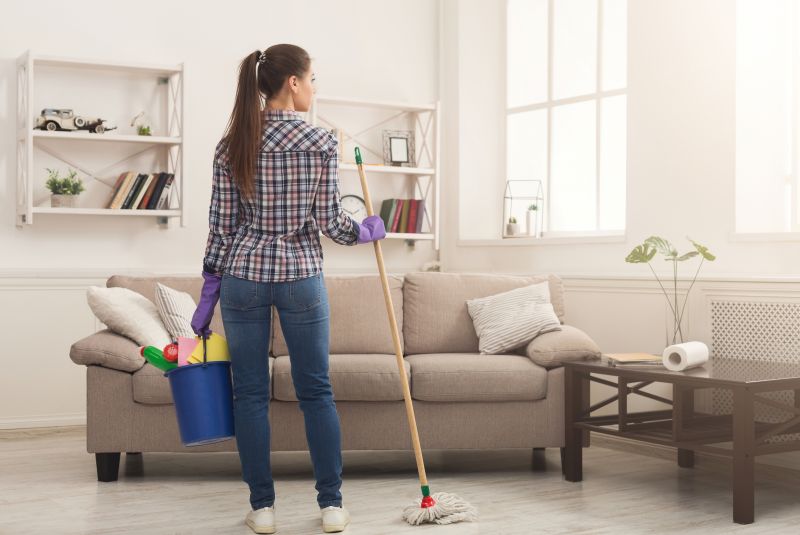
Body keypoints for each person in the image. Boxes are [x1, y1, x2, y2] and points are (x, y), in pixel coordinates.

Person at [190, 43, 386, 534]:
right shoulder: (320, 141)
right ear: (293, 82)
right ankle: (332, 506)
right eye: (312, 79)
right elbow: (332, 223)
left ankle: (262, 509)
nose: (314, 88)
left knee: (249, 394)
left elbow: (221, 227)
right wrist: (365, 230)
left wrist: (210, 288)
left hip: (243, 277)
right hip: (301, 276)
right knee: (316, 391)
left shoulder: (232, 143)